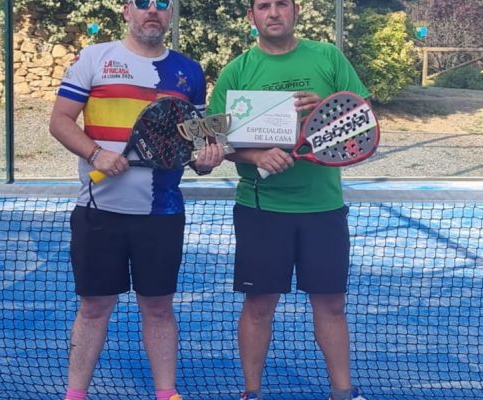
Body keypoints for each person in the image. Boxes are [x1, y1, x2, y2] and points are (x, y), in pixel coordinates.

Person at [49, 0, 224, 399]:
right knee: (94, 307)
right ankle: (75, 394)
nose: (152, 10)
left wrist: (206, 161)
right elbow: (59, 121)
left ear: (171, 13)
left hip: (162, 214)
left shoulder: (189, 72)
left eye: (162, 3)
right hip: (98, 212)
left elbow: (195, 144)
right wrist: (95, 154)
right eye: (143, 2)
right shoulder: (94, 58)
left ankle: (166, 393)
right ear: (127, 10)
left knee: (158, 307)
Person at [207, 1, 369, 399]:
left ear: (296, 12)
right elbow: (215, 141)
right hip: (261, 210)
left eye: (282, 4)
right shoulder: (237, 72)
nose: (274, 12)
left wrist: (324, 109)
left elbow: (361, 118)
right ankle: (252, 393)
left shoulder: (329, 57)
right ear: (252, 17)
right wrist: (256, 156)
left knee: (331, 305)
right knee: (259, 305)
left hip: (323, 208)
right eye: (264, 6)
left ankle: (343, 394)